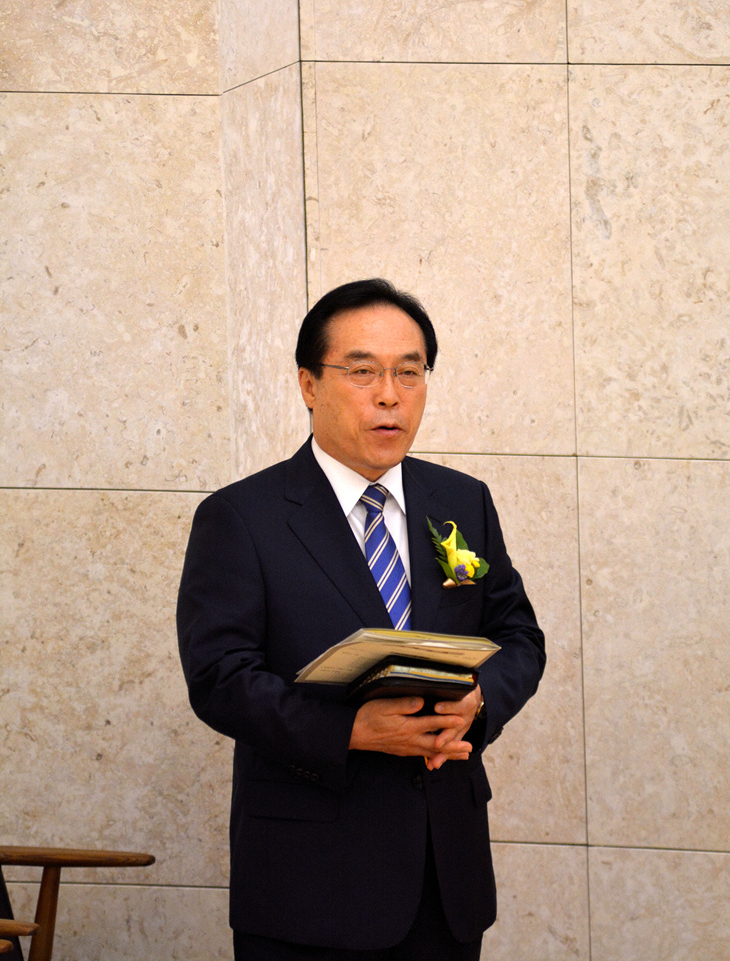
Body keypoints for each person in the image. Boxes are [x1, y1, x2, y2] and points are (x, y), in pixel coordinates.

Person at [177, 278, 545, 961]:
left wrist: (478, 702)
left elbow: (518, 636)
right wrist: (352, 730)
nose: (389, 395)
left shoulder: (462, 501)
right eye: (362, 371)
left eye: (410, 372)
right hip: (309, 883)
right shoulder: (241, 518)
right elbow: (220, 679)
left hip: (446, 876)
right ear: (308, 384)